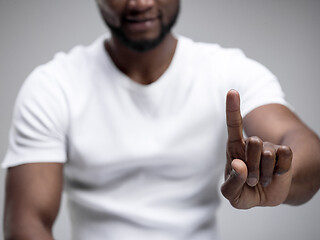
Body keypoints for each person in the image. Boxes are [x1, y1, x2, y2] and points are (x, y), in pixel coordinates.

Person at [2, 0, 320, 239]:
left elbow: (300, 141)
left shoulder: (227, 71)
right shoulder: (53, 85)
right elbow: (28, 223)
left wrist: (283, 176)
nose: (141, 3)